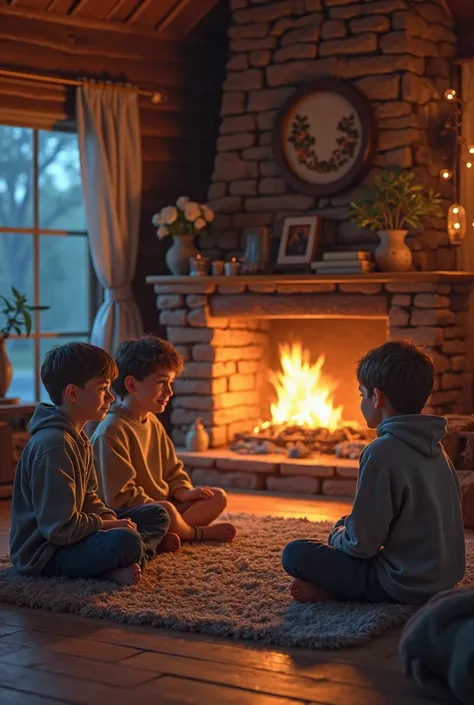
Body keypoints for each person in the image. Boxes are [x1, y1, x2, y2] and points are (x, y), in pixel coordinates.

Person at [282, 340, 465, 604]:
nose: (361, 401)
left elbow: (361, 547)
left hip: (403, 583)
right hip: (443, 578)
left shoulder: (381, 452)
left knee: (296, 554)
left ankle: (339, 591)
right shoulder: (437, 447)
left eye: (361, 394)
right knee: (347, 523)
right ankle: (339, 581)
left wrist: (337, 536)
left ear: (376, 397)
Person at [10, 342, 171, 586]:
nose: (111, 397)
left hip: (75, 535)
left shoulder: (78, 437)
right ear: (72, 393)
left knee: (159, 514)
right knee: (126, 542)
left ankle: (127, 558)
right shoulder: (54, 446)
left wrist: (111, 521)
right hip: (46, 554)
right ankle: (121, 561)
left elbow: (89, 497)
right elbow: (59, 529)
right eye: (102, 388)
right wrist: (114, 527)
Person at [91, 336, 236, 551]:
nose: (169, 392)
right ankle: (194, 533)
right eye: (161, 382)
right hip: (132, 513)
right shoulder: (112, 430)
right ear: (131, 384)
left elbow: (173, 470)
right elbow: (120, 496)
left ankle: (165, 534)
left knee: (217, 497)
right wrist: (161, 509)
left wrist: (184, 492)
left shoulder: (152, 421)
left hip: (163, 506)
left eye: (170, 383)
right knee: (165, 510)